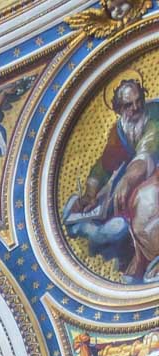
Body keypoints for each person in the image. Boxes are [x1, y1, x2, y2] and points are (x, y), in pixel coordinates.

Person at [68, 79, 159, 281]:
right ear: (118, 109)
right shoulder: (120, 130)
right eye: (128, 105)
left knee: (146, 198)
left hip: (152, 171)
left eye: (138, 101)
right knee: (119, 205)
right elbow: (104, 165)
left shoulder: (154, 114)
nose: (136, 108)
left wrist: (128, 179)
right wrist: (90, 194)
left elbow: (148, 149)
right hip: (143, 175)